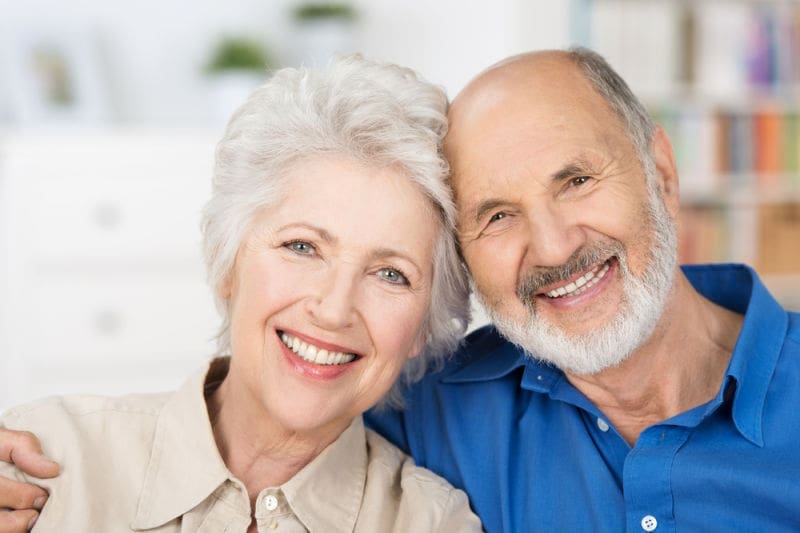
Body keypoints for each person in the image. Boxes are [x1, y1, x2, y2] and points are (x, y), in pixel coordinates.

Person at [4, 46, 800, 532]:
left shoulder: (428, 507)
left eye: (579, 179)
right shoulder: (45, 461)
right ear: (226, 258)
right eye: (496, 215)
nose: (554, 246)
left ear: (662, 170)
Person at [0, 54, 482, 532]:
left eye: (391, 274)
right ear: (227, 262)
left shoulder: (432, 522)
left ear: (425, 324)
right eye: (302, 246)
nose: (334, 310)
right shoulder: (48, 455)